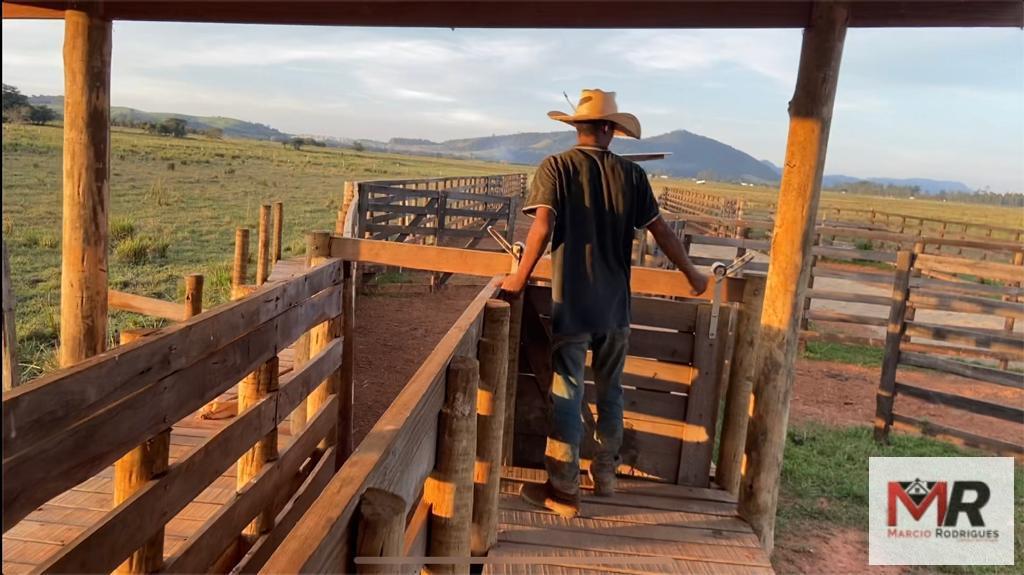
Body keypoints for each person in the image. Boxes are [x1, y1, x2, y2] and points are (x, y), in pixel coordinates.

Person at [500, 89, 709, 519]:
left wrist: (517, 280)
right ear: (610, 130)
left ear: (577, 127)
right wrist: (692, 273)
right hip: (616, 308)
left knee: (567, 395)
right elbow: (662, 231)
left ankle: (563, 490)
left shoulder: (556, 167)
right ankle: (606, 477)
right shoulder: (633, 176)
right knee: (611, 391)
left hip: (574, 304)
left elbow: (541, 228)